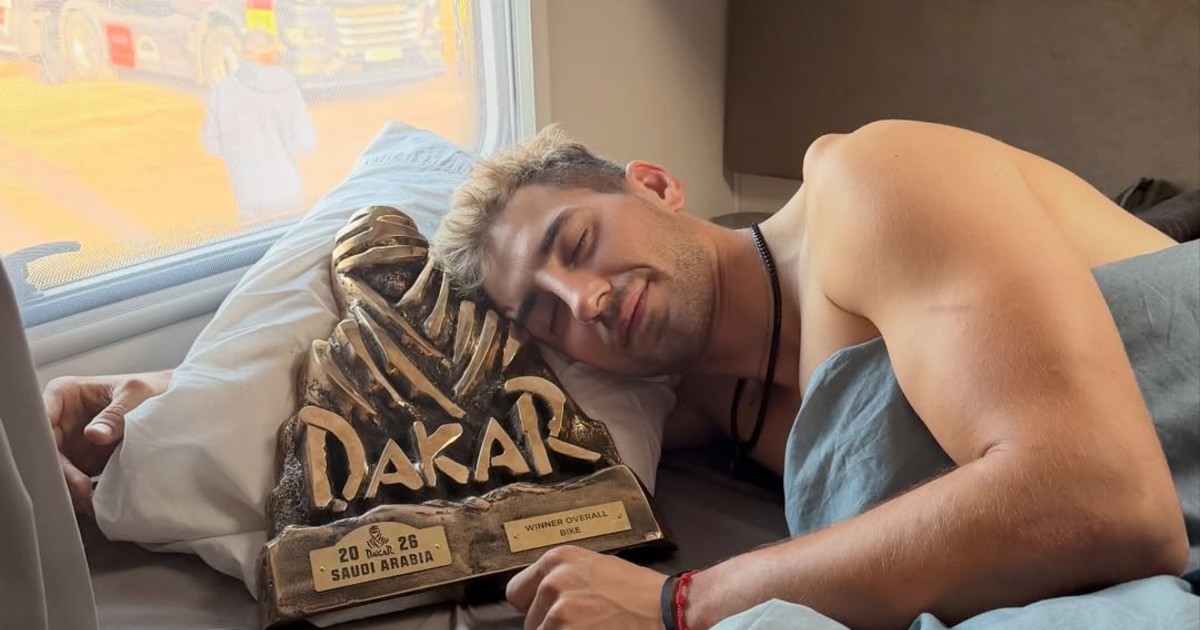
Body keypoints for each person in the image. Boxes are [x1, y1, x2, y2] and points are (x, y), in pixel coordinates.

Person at [47, 120, 1196, 628]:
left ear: (654, 185)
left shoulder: (869, 184)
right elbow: (393, 403)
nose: (584, 300)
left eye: (579, 242)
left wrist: (681, 604)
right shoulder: (685, 405)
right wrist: (164, 403)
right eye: (546, 312)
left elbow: (1105, 499)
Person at [200, 29, 316, 224]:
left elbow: (212, 145)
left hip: (249, 199)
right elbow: (306, 144)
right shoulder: (289, 90)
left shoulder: (221, 92)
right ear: (271, 55)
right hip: (289, 196)